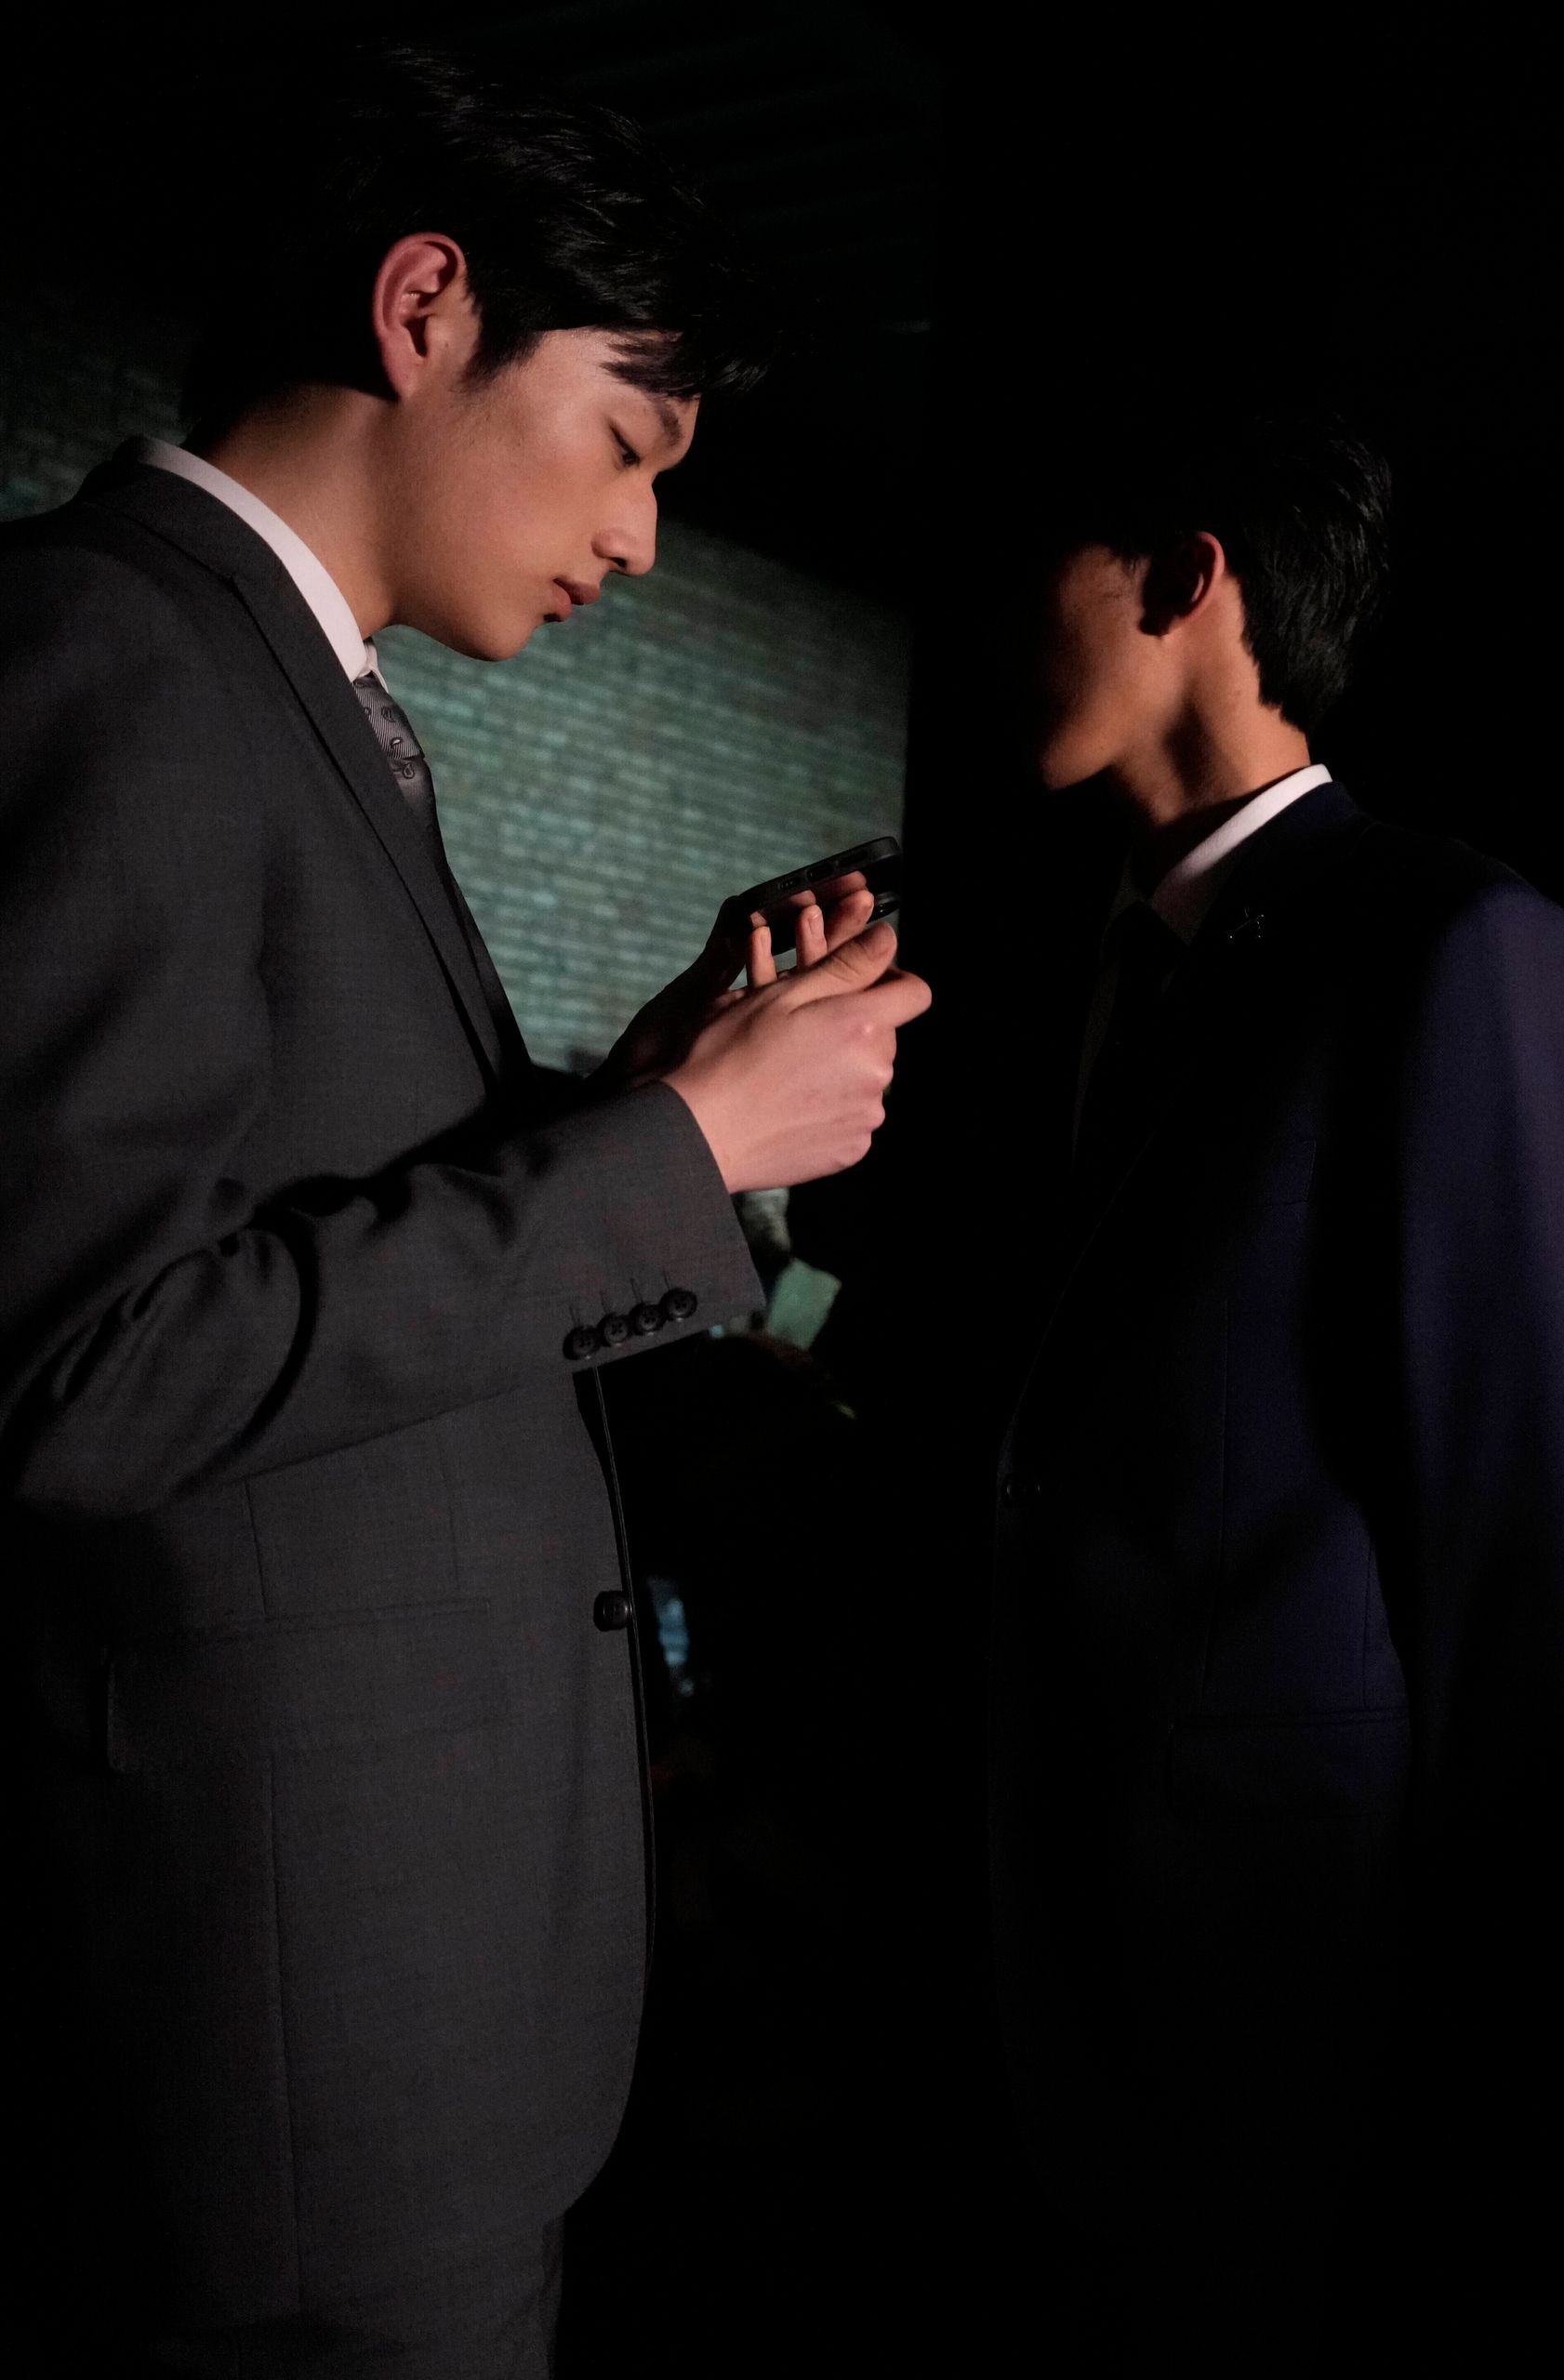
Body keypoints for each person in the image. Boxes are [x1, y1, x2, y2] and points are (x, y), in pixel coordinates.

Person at [0, 47, 928, 2375]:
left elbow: (286, 1202)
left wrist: (645, 1102)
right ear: (426, 307)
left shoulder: (294, 696)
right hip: (285, 2065)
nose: (635, 539)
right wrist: (674, 1155)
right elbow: (82, 1368)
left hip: (398, 2028)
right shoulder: (105, 652)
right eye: (626, 444)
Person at [987, 412, 1564, 2368]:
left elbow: (1532, 1542)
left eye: (1038, 558)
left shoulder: (1457, 946)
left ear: (1186, 578)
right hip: (1051, 1941)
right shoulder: (1081, 953)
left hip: (1295, 1973)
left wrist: (1461, 2022)